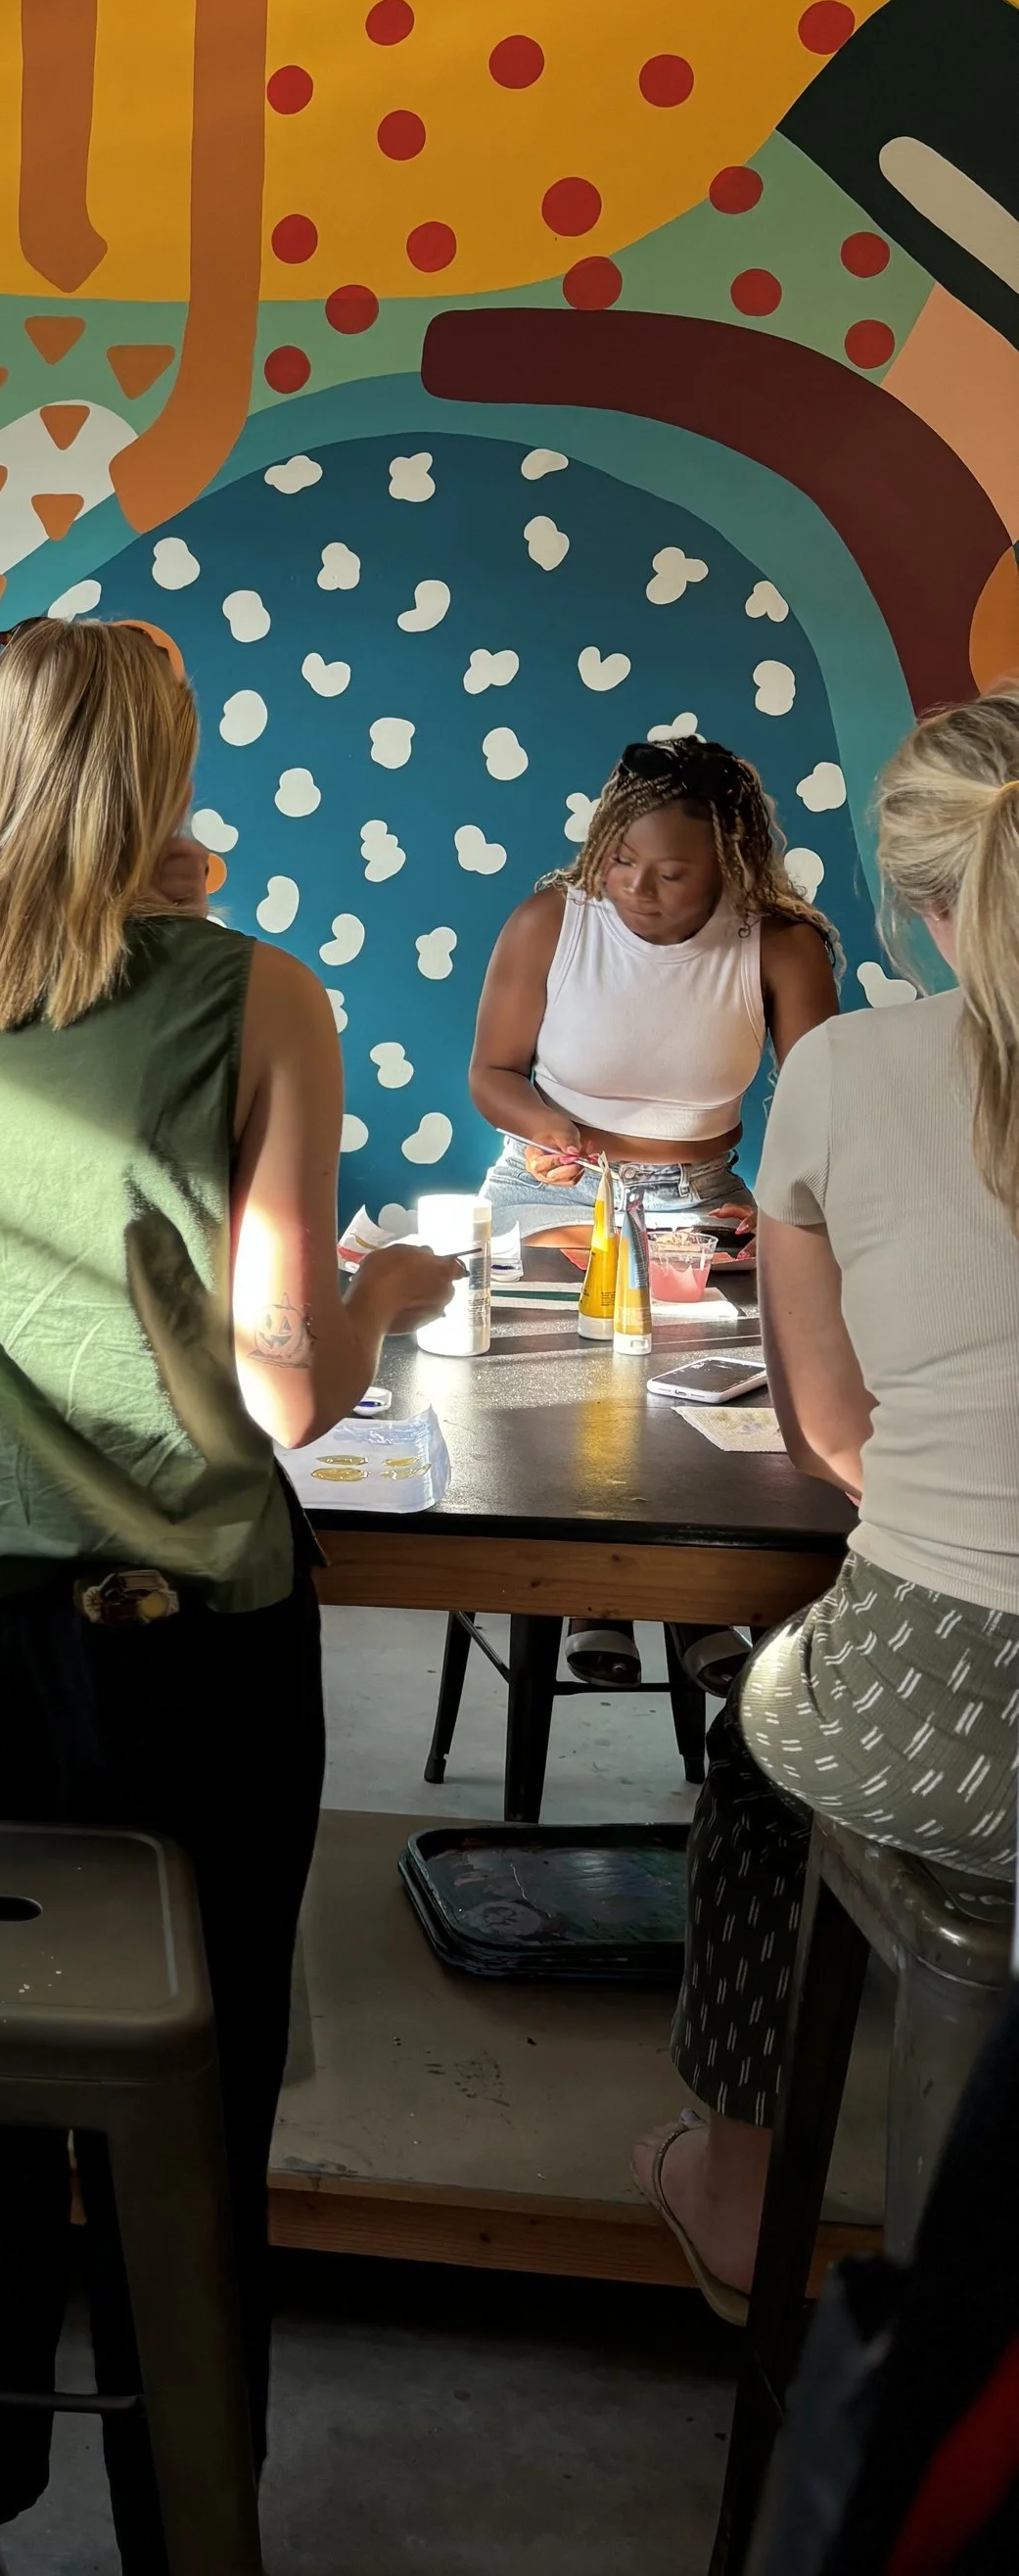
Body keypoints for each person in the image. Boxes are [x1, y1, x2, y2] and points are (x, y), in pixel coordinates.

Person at [0, 618, 460, 2576]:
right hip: (173, 1641)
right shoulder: (260, 993)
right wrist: (382, 1296)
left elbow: (7, 972)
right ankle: (187, 2522)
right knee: (192, 2092)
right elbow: (284, 1394)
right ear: (173, 771)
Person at [631, 686, 1019, 2317]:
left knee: (756, 1745)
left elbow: (835, 1435)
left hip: (955, 1694)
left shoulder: (851, 1068)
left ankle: (736, 2185)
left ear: (916, 900)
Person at [468, 734, 838, 1691]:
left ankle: (693, 1598)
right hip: (547, 1194)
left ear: (730, 866)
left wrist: (794, 1220)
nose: (636, 888)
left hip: (698, 1202)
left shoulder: (777, 945)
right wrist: (547, 1124)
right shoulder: (550, 921)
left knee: (706, 1405)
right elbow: (492, 1074)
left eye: (671, 873)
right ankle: (596, 1592)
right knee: (549, 1395)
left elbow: (826, 1107)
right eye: (621, 861)